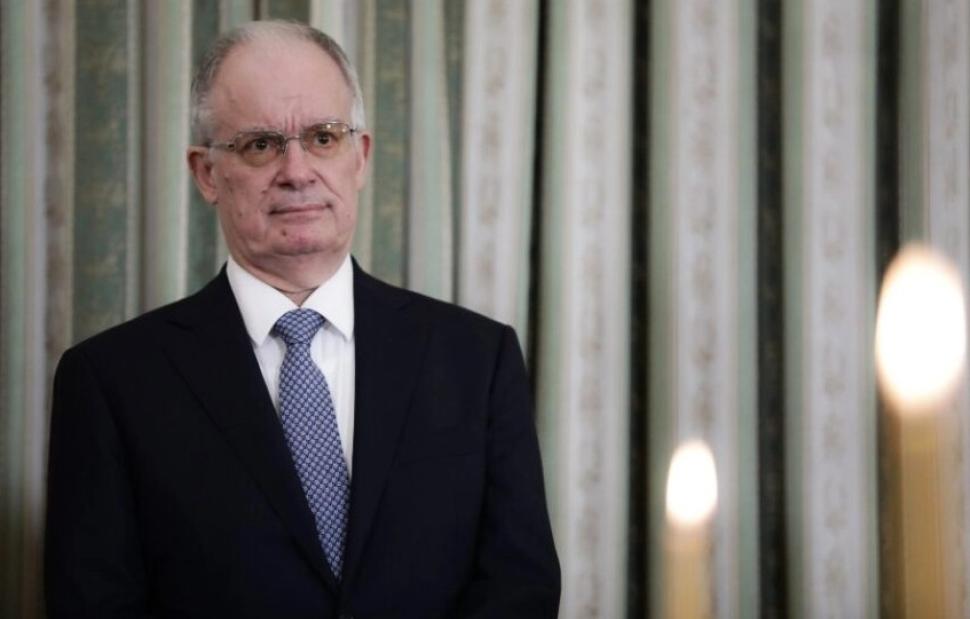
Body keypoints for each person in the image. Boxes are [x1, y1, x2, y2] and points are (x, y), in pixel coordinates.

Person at [45, 20, 559, 618]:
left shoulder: (477, 359)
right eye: (261, 145)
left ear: (360, 157)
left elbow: (520, 590)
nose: (296, 170)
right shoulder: (111, 381)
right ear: (206, 173)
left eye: (323, 137)